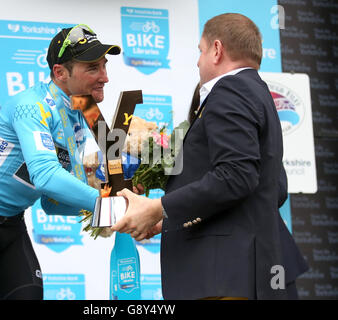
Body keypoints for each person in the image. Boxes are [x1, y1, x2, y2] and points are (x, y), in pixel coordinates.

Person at [112, 13, 308, 299]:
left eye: (200, 51)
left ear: (216, 50)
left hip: (224, 277)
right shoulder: (258, 93)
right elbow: (268, 188)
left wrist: (159, 208)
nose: (197, 61)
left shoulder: (230, 90)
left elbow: (236, 176)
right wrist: (172, 219)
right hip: (251, 274)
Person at [0, 24, 121, 300]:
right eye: (93, 68)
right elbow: (46, 176)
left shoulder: (80, 116)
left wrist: (109, 206)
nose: (105, 77)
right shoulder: (30, 106)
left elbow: (51, 202)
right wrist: (113, 209)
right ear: (60, 73)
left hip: (11, 227)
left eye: (104, 66)